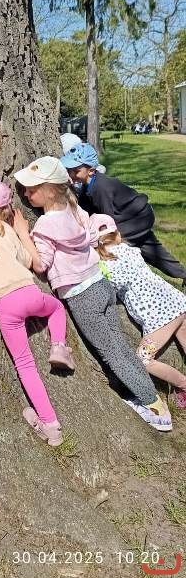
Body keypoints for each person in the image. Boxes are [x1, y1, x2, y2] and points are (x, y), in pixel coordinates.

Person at [13, 156, 172, 432]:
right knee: (120, 346)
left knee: (112, 353)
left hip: (82, 296)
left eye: (31, 189)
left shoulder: (45, 225)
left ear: (49, 191)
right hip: (101, 284)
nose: (26, 195)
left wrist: (22, 234)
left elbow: (40, 264)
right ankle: (142, 394)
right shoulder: (73, 208)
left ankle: (154, 407)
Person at [0, 179, 73, 447]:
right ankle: (58, 346)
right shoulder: (8, 229)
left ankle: (51, 424)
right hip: (30, 292)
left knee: (24, 364)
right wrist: (22, 234)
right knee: (56, 308)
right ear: (6, 209)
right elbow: (27, 260)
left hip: (5, 303)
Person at [91, 214, 186, 410]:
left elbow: (113, 287)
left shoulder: (106, 265)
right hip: (177, 302)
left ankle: (183, 385)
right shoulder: (130, 250)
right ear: (117, 234)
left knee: (143, 359)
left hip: (160, 317)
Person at [61, 142, 186, 283]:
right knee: (150, 249)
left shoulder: (100, 188)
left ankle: (133, 280)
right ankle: (182, 274)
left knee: (110, 245)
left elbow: (107, 221)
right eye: (69, 170)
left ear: (91, 170)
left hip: (138, 218)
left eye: (76, 171)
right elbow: (83, 210)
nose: (71, 174)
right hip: (133, 217)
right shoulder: (89, 185)